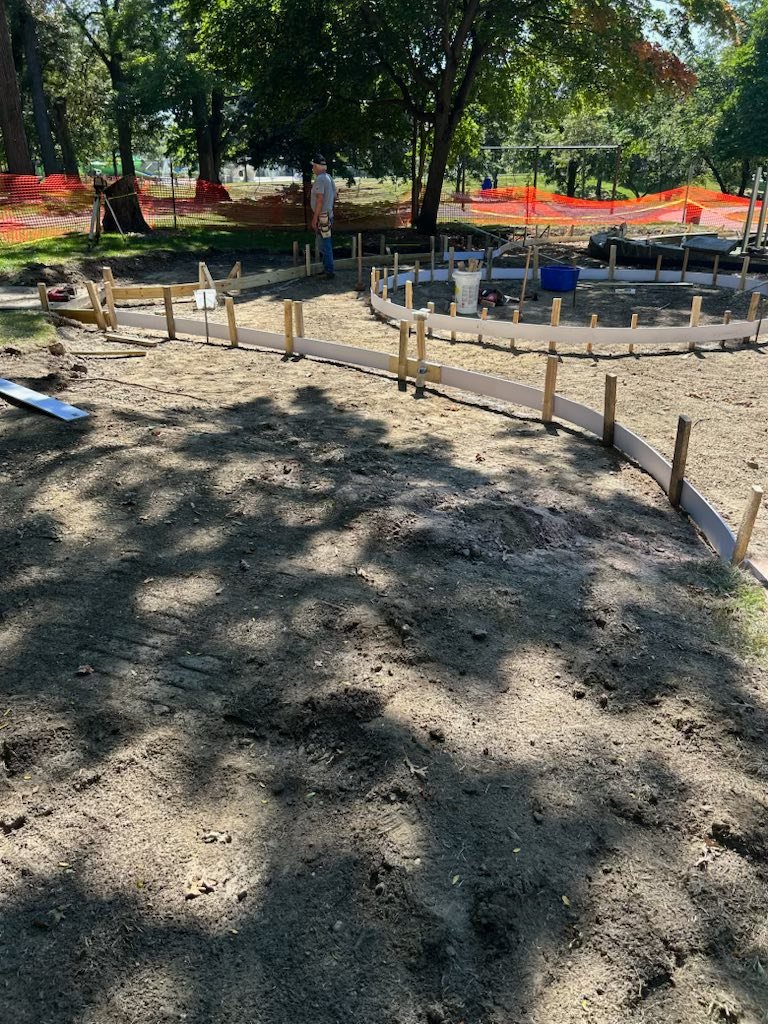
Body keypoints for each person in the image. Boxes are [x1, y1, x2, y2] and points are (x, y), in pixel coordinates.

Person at [310, 154, 336, 279]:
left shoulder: (320, 179)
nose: (312, 169)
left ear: (316, 166)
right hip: (327, 214)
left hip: (323, 216)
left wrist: (315, 217)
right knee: (325, 242)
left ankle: (329, 270)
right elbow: (335, 196)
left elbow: (320, 199)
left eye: (313, 166)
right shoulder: (329, 177)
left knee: (325, 243)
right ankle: (327, 268)